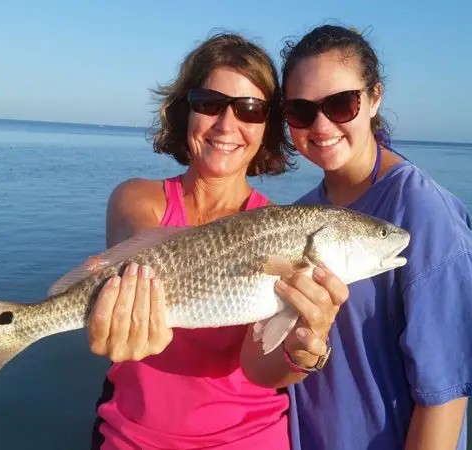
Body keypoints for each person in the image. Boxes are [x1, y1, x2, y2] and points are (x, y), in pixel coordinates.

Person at [87, 32, 348, 450]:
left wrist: (303, 350)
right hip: (130, 437)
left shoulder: (280, 231)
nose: (227, 125)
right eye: (209, 103)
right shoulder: (136, 198)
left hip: (250, 439)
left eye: (250, 109)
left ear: (268, 127)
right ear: (184, 111)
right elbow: (140, 238)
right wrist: (124, 306)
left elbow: (258, 368)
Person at [280, 25, 472, 450]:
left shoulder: (424, 213)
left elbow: (447, 391)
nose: (321, 125)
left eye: (341, 103)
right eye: (302, 111)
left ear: (374, 97)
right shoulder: (305, 212)